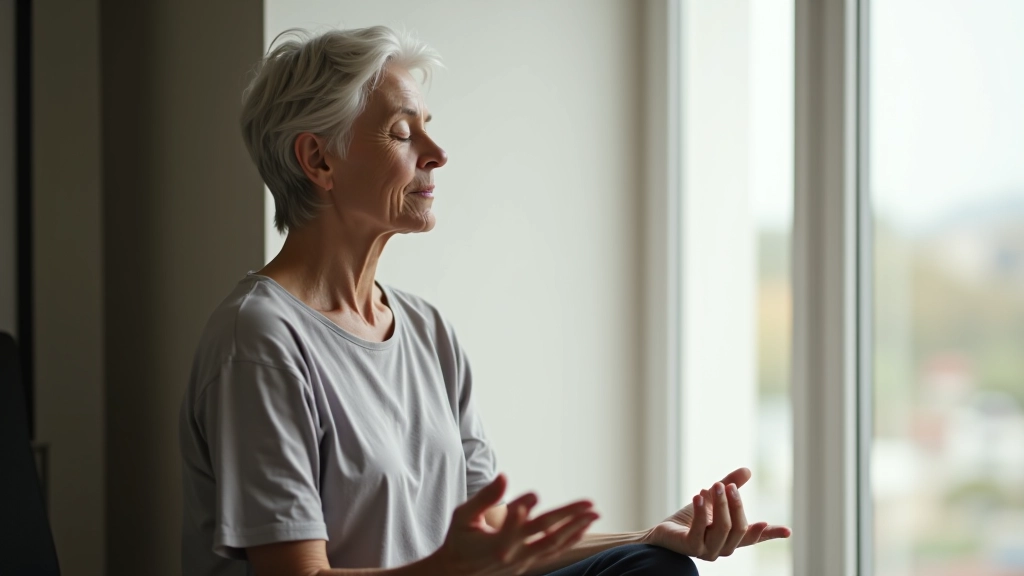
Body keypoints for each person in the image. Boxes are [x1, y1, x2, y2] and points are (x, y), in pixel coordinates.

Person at [178, 25, 790, 576]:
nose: (436, 152)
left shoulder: (426, 330)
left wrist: (650, 535)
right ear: (317, 160)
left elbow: (494, 541)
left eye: (428, 125)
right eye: (402, 132)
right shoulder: (259, 339)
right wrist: (446, 569)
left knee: (653, 569)